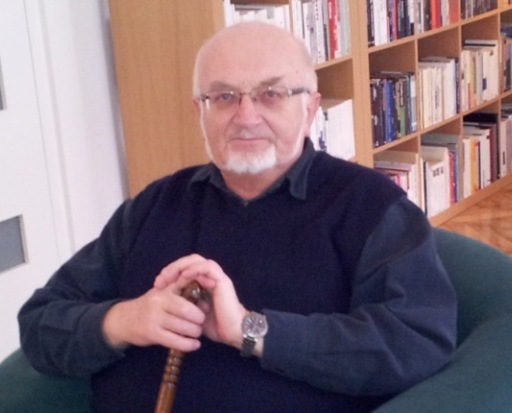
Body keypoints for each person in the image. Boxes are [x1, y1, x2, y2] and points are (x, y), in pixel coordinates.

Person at [18, 22, 457, 413]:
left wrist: (252, 331)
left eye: (271, 94)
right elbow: (40, 322)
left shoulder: (371, 206)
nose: (246, 117)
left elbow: (417, 341)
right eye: (223, 97)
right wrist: (124, 320)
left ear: (310, 109)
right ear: (199, 112)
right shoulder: (156, 204)